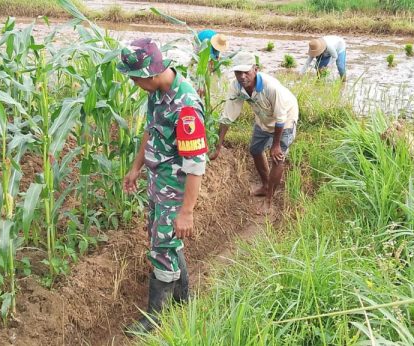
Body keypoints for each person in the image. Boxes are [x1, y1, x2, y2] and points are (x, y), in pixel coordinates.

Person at [118, 38, 208, 335]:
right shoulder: (157, 93)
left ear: (151, 73)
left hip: (176, 189)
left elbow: (195, 165)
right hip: (159, 181)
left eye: (135, 77)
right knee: (166, 241)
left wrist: (187, 212)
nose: (133, 82)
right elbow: (151, 130)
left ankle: (155, 318)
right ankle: (184, 300)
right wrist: (135, 168)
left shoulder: (186, 107)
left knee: (161, 248)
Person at [210, 52, 299, 215]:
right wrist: (218, 145)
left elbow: (281, 117)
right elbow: (228, 115)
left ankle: (269, 200)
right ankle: (265, 186)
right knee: (255, 150)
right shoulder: (236, 86)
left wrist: (276, 145)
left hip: (285, 119)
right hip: (264, 117)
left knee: (277, 157)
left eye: (246, 72)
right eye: (238, 73)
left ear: (255, 69)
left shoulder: (271, 87)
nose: (242, 77)